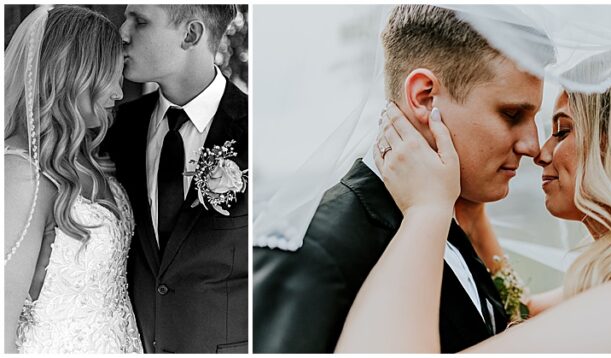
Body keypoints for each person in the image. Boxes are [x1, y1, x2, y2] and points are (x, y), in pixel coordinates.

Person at [339, 46, 611, 353]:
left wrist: (426, 211)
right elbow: (522, 314)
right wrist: (472, 217)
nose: (541, 151)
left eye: (563, 130)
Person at [252, 5, 544, 353]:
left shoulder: (446, 217)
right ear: (424, 97)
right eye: (512, 114)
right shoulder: (315, 250)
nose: (533, 145)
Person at [103, 5, 248, 353]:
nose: (122, 33)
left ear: (191, 35)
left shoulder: (260, 132)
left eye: (140, 21)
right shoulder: (113, 129)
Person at [4, 6, 141, 353]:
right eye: (111, 75)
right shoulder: (20, 175)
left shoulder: (86, 159)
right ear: (74, 73)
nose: (119, 93)